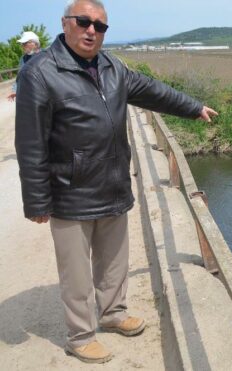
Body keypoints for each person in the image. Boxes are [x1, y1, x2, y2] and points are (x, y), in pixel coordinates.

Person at [14, 0, 218, 364]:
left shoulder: (113, 67)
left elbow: (154, 91)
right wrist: (36, 201)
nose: (92, 30)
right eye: (84, 22)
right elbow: (30, 143)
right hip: (69, 192)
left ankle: (113, 314)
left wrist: (193, 106)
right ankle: (79, 336)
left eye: (101, 26)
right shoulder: (41, 72)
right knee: (76, 274)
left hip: (112, 184)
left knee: (113, 263)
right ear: (66, 23)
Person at [7, 31, 41, 101]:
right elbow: (19, 77)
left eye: (25, 43)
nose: (22, 46)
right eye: (22, 44)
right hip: (29, 97)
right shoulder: (23, 59)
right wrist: (15, 90)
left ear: (34, 43)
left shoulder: (45, 56)